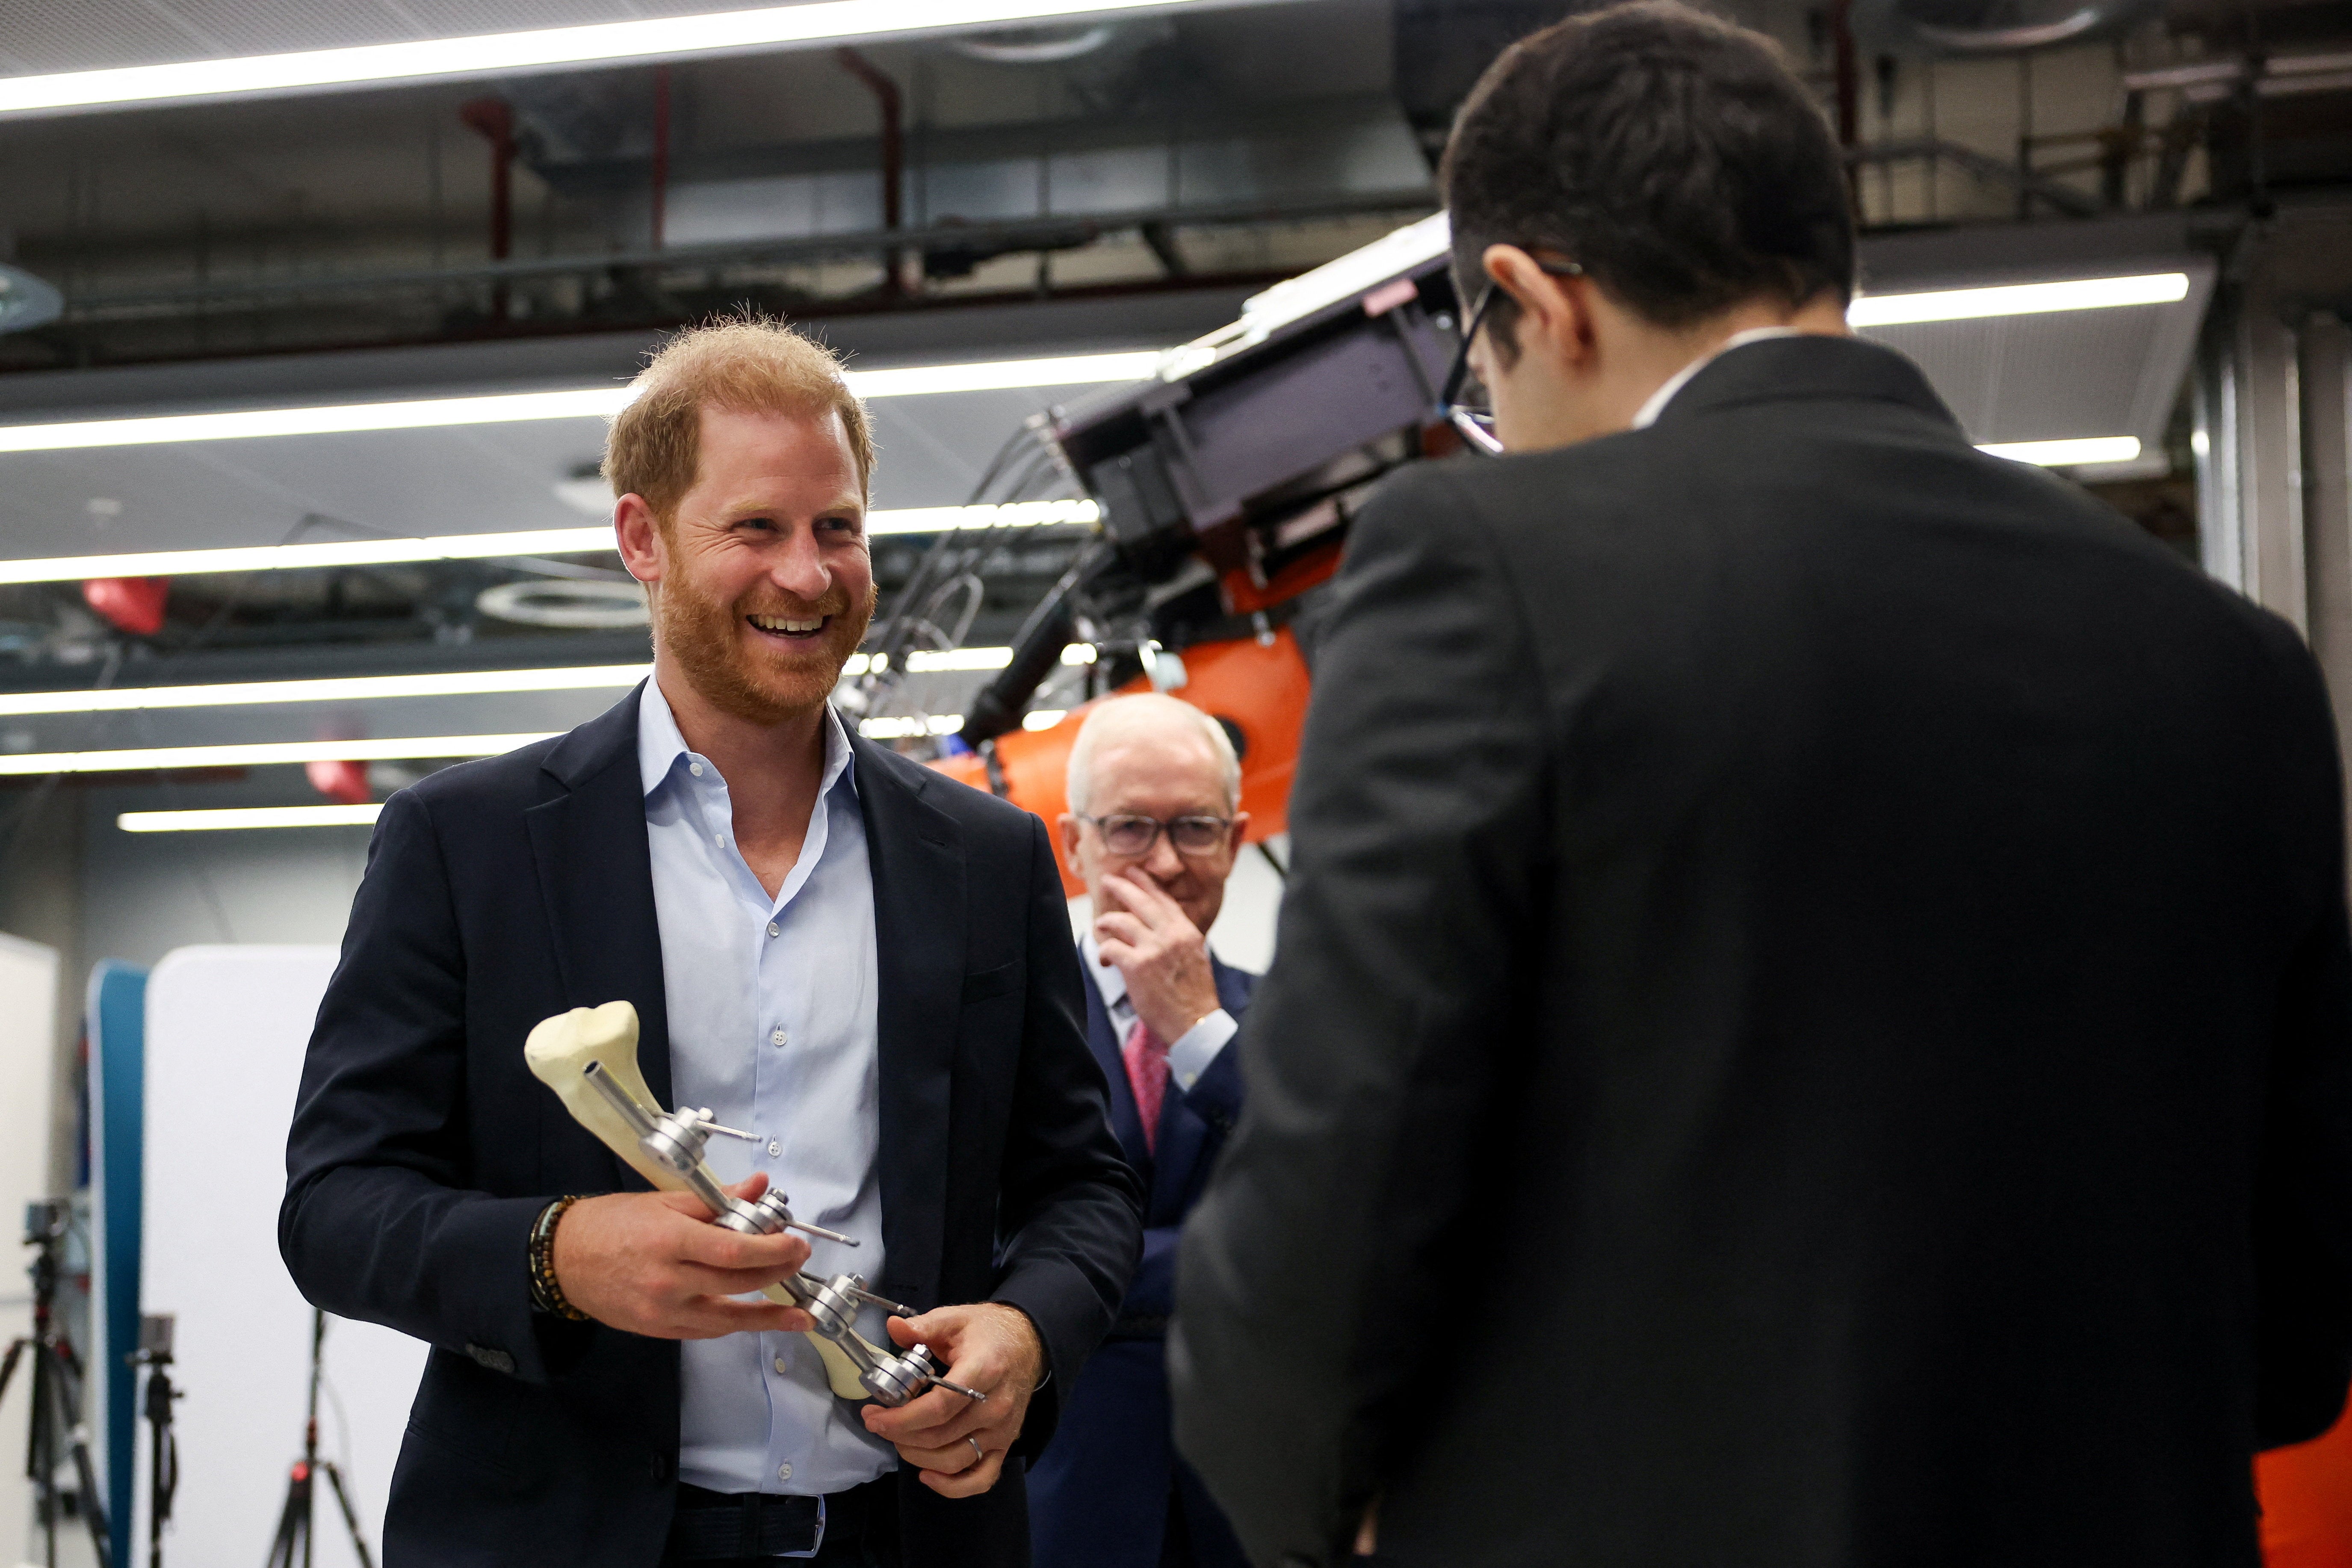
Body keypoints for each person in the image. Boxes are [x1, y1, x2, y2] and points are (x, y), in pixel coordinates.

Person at [1168, 6, 2352, 1566]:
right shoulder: (2238, 664)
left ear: (1532, 299)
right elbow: (2286, 1341)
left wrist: (1301, 1495)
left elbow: (1338, 1194)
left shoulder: (1494, 569)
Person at [281, 318, 1142, 1568]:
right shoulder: (465, 846)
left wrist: (1027, 1330)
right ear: (642, 539)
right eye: (756, 529)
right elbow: (336, 1206)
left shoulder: (987, 858)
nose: (807, 574)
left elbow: (1085, 1182)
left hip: (901, 1538)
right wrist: (555, 1253)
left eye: (836, 528)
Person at [1027, 695, 1259, 1568]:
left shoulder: (1308, 1023)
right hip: (1062, 1494)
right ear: (1073, 843)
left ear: (1236, 839)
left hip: (1253, 1500)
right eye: (1129, 827)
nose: (1163, 862)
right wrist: (1241, 1262)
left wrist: (1199, 1027)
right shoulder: (1005, 1027)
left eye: (1194, 827)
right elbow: (984, 1242)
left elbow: (1340, 1222)